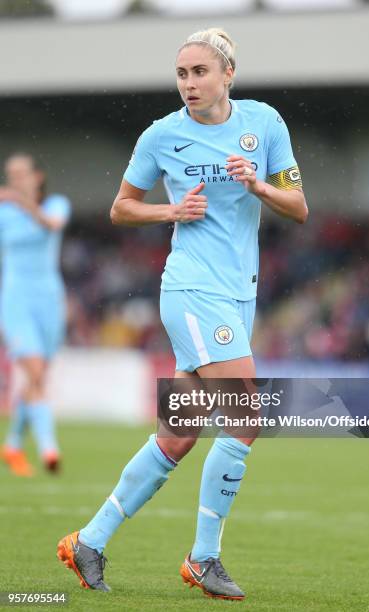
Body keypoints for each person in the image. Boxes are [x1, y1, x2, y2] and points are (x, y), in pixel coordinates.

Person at [57, 27, 308, 600]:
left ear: (228, 76)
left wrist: (260, 187)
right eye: (182, 74)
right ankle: (203, 558)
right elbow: (122, 208)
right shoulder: (161, 136)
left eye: (200, 72)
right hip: (193, 292)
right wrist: (171, 210)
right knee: (246, 415)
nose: (189, 84)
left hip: (239, 295)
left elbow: (299, 206)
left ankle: (88, 541)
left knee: (179, 435)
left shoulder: (264, 124)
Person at [0, 153, 71, 476]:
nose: (15, 181)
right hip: (15, 300)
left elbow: (51, 225)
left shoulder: (56, 204)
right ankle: (48, 449)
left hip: (50, 299)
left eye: (21, 174)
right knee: (35, 369)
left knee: (38, 376)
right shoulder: (3, 213)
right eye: (10, 175)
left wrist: (21, 202)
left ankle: (12, 444)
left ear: (37, 176)